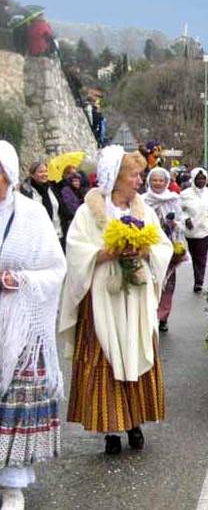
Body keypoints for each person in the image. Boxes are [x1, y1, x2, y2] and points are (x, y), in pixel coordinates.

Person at [59, 146, 173, 455]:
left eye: (139, 175)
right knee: (104, 358)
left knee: (135, 350)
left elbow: (162, 245)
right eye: (134, 175)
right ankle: (110, 428)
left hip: (134, 296)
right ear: (116, 179)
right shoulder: (88, 212)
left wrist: (144, 250)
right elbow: (75, 249)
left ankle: (134, 422)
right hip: (101, 298)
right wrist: (104, 253)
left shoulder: (143, 210)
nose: (139, 180)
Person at [0, 141, 66, 510]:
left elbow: (55, 269)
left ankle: (11, 487)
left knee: (14, 401)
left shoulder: (31, 215)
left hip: (20, 325)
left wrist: (19, 280)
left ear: (8, 175)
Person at [142, 167, 186, 332]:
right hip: (149, 248)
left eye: (161, 180)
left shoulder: (173, 199)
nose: (158, 183)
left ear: (167, 182)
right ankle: (150, 313)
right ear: (149, 181)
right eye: (155, 180)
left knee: (168, 283)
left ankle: (163, 317)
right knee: (150, 281)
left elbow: (182, 222)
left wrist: (174, 224)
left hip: (169, 248)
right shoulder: (142, 200)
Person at [180, 168, 208, 293]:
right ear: (193, 179)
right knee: (195, 255)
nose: (201, 181)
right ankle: (198, 276)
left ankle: (199, 282)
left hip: (206, 229)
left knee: (201, 256)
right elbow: (180, 210)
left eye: (203, 178)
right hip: (191, 231)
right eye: (198, 179)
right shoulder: (185, 194)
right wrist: (186, 219)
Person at [20, 161, 63, 247]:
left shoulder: (51, 188)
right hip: (39, 238)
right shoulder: (26, 192)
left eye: (46, 171)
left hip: (57, 234)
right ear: (32, 174)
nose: (44, 174)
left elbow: (61, 209)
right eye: (40, 172)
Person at [59, 172, 85, 247]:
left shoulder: (79, 191)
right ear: (70, 181)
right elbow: (70, 205)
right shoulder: (66, 190)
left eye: (78, 181)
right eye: (75, 181)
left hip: (79, 218)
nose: (77, 183)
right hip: (71, 219)